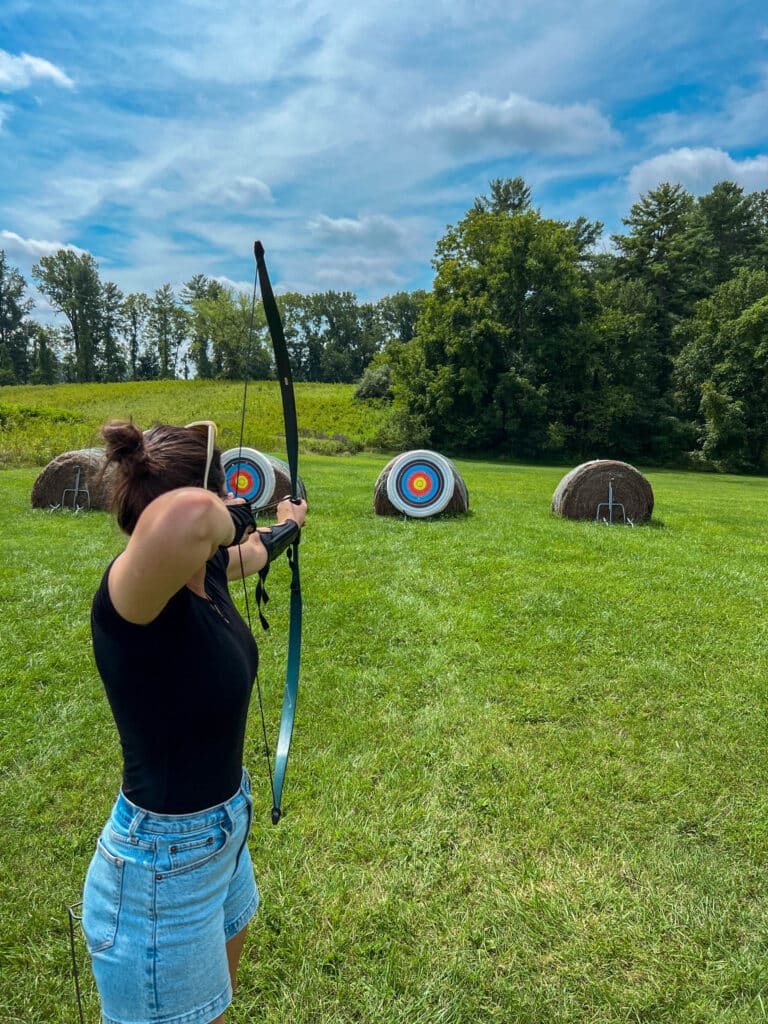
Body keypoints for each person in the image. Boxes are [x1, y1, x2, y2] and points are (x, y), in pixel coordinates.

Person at [81, 419, 307, 1024]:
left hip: (221, 837)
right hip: (161, 871)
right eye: (223, 488)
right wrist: (235, 511)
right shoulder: (131, 596)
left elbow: (255, 550)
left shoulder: (203, 570)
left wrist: (287, 522)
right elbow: (188, 515)